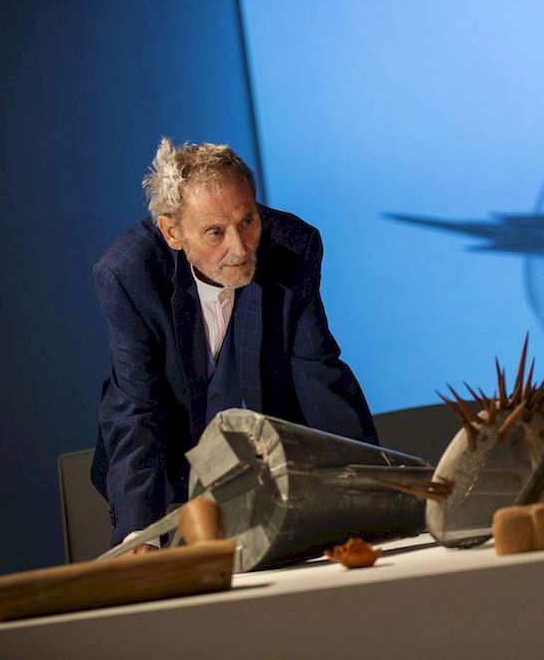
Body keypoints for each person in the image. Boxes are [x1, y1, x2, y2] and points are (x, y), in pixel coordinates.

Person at [91, 138, 377, 548]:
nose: (240, 248)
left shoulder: (293, 246)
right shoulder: (129, 273)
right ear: (172, 232)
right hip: (170, 474)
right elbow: (137, 408)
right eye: (215, 233)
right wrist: (140, 538)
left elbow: (318, 374)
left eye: (248, 220)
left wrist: (373, 489)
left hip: (267, 472)